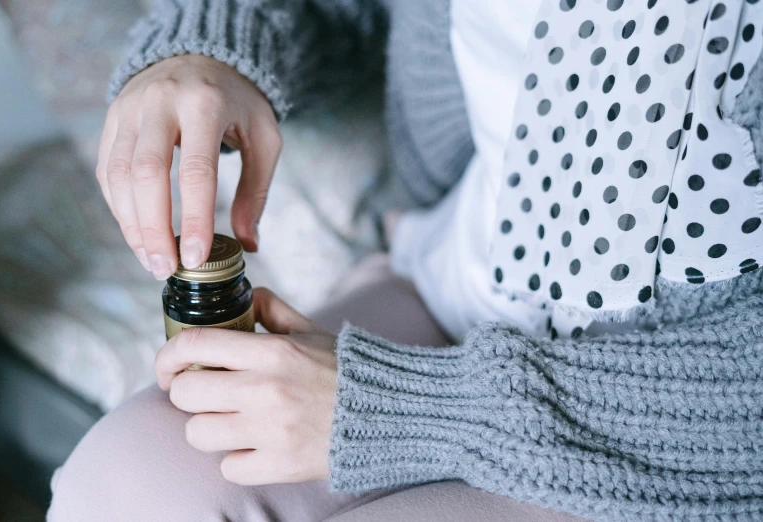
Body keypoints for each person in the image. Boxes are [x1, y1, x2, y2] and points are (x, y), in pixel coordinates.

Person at [48, 0, 763, 520]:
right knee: (121, 488)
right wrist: (208, 49)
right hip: (458, 286)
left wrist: (409, 409)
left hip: (672, 431)